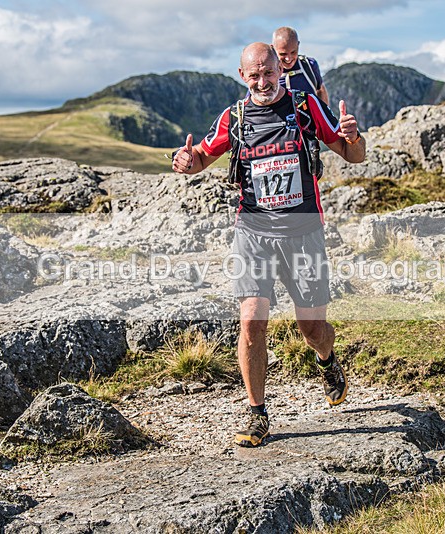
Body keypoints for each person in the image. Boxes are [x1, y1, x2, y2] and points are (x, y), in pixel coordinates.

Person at [171, 42, 365, 447]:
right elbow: (201, 158)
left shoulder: (306, 107)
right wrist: (186, 161)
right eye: (254, 75)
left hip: (304, 234)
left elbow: (353, 156)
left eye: (269, 72)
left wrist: (354, 135)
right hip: (254, 234)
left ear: (281, 69)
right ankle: (257, 413)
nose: (262, 81)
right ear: (243, 76)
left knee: (312, 328)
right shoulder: (234, 117)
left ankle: (327, 360)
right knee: (251, 322)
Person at [272, 26, 330, 105]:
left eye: (293, 52)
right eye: (283, 54)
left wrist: (326, 115)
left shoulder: (310, 65)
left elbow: (320, 90)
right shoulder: (268, 73)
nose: (288, 59)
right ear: (273, 48)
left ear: (298, 45)